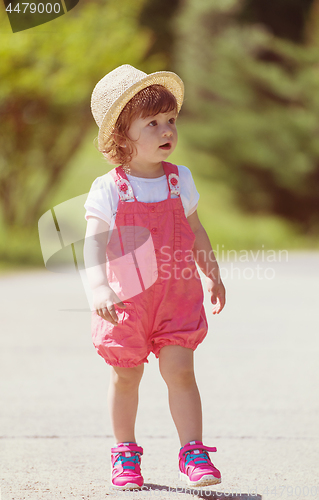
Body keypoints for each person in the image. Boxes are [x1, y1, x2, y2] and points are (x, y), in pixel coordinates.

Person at [84, 64, 226, 490]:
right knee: (126, 375)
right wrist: (98, 287)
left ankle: (194, 451)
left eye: (170, 121)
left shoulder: (179, 180)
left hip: (176, 296)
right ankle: (125, 452)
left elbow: (196, 230)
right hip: (126, 303)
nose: (166, 130)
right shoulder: (109, 188)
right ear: (121, 136)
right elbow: (93, 243)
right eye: (152, 123)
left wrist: (213, 272)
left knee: (181, 370)